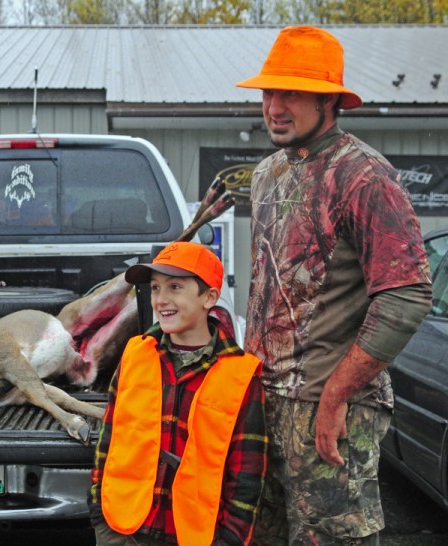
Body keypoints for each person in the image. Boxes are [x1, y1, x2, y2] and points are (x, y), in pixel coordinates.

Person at [235, 26, 433, 545]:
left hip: (330, 409)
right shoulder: (267, 175)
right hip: (264, 401)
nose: (274, 106)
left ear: (330, 100)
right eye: (268, 92)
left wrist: (335, 395)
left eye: (291, 93)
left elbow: (407, 295)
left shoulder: (363, 176)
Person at [89, 241, 267, 546]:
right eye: (156, 288)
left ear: (209, 297)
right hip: (125, 531)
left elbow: (247, 474)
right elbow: (109, 440)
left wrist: (229, 540)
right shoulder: (135, 354)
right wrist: (100, 517)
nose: (161, 300)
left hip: (195, 537)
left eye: (175, 287)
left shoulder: (239, 374)